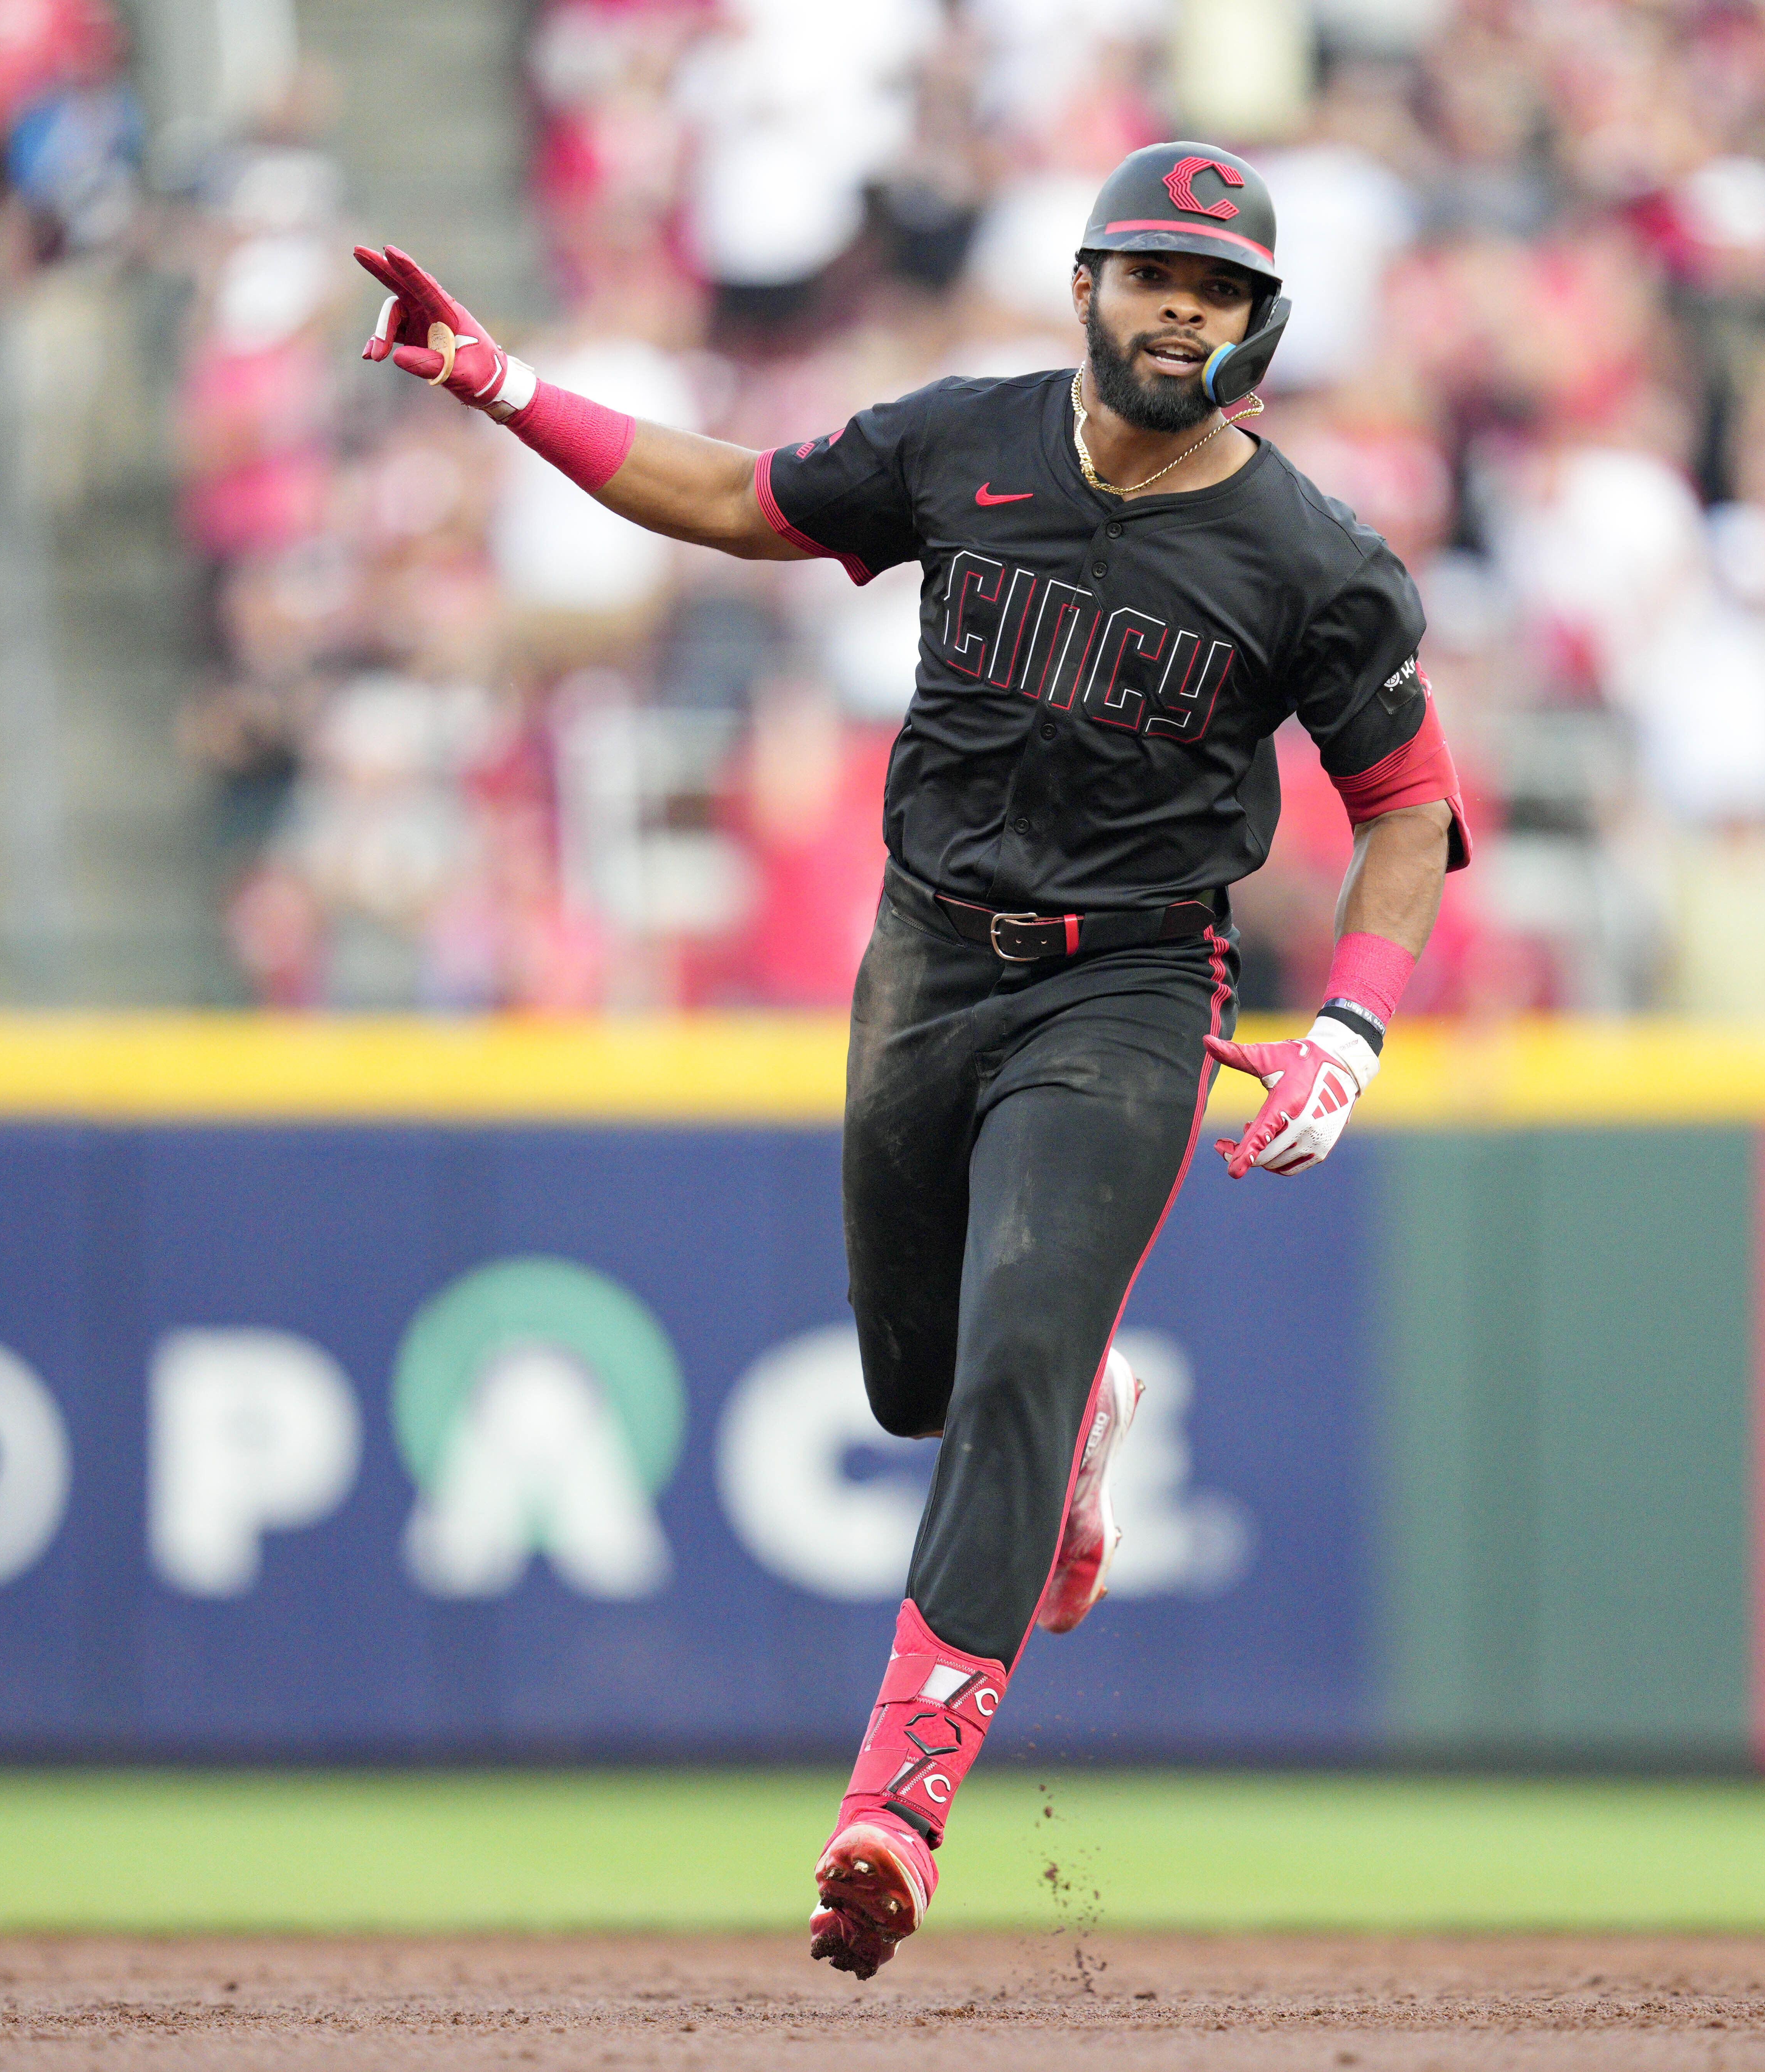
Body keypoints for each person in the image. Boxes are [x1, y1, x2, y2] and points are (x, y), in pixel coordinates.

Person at [354, 140, 1468, 1977]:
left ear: (1260, 326)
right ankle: (1072, 1417)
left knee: (1022, 1347)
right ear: (1088, 289)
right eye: (1153, 274)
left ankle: (895, 1805)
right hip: (928, 953)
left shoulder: (1311, 557)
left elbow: (1408, 808)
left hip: (1130, 990)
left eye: (1219, 288)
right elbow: (730, 497)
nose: (1181, 307)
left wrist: (1348, 1024)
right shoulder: (970, 438)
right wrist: (500, 383)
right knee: (913, 1382)